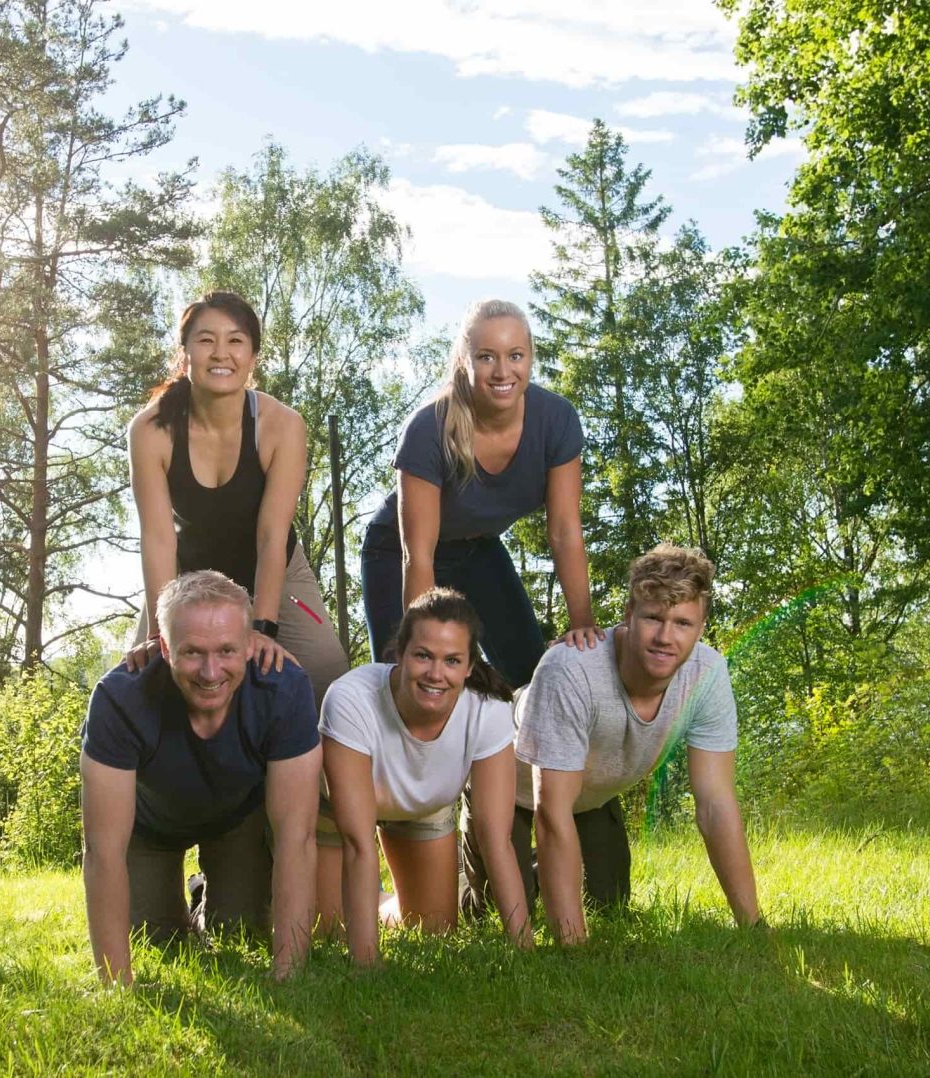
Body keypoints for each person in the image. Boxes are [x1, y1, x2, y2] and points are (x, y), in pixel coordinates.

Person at [465, 543, 762, 943]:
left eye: (682, 623)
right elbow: (551, 813)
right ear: (628, 617)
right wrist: (574, 948)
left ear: (702, 627)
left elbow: (715, 805)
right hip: (510, 785)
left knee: (610, 904)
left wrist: (753, 926)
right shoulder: (571, 669)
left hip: (590, 792)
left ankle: (542, 873)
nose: (665, 637)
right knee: (496, 913)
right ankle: (450, 885)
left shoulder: (707, 674)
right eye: (653, 618)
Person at [80, 570, 322, 984]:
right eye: (192, 653)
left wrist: (289, 975)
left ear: (250, 645)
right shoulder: (119, 699)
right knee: (157, 939)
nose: (211, 672)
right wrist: (115, 985)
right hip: (148, 829)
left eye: (227, 651)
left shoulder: (284, 689)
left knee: (240, 929)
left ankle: (206, 894)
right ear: (163, 648)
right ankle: (179, 903)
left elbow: (296, 839)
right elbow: (102, 850)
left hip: (235, 822)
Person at [361, 298, 600, 690]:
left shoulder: (556, 419)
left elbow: (564, 531)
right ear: (465, 361)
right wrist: (424, 649)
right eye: (487, 357)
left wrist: (582, 625)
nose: (503, 371)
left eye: (516, 355)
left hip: (476, 550)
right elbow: (416, 554)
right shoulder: (427, 430)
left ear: (530, 359)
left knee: (530, 675)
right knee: (411, 679)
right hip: (397, 553)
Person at [125, 290, 348, 707]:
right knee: (135, 680)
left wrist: (261, 629)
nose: (220, 353)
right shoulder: (150, 430)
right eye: (206, 340)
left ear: (253, 356)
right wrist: (161, 634)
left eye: (235, 340)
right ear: (185, 351)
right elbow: (157, 538)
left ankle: (313, 773)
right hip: (187, 575)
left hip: (276, 570)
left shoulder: (282, 425)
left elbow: (271, 536)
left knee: (327, 674)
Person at [316, 588, 533, 967]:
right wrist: (367, 966)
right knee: (328, 930)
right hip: (333, 813)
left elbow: (495, 838)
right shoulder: (351, 698)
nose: (436, 674)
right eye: (423, 656)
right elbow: (358, 841)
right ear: (399, 653)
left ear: (468, 667)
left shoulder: (488, 709)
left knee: (432, 930)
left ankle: (379, 902)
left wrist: (524, 949)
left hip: (420, 809)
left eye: (452, 661)